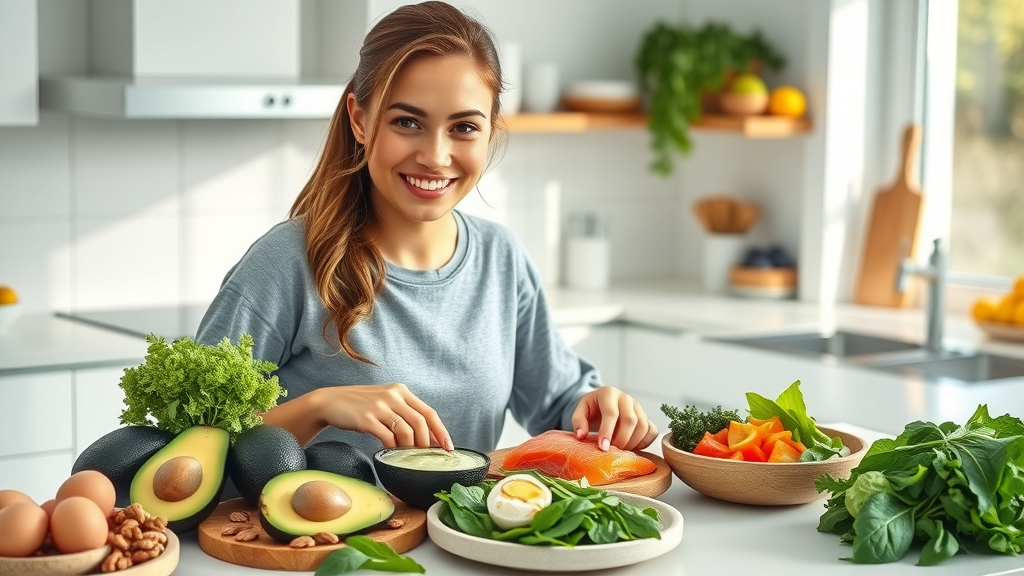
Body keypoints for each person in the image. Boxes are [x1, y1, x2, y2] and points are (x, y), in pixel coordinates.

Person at [195, 1, 657, 459]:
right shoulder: (288, 261)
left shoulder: (502, 257)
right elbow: (192, 441)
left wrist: (595, 408)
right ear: (360, 120)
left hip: (467, 513)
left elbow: (557, 403)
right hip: (317, 514)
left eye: (464, 127)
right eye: (407, 122)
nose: (435, 156)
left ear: (490, 132)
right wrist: (318, 407)